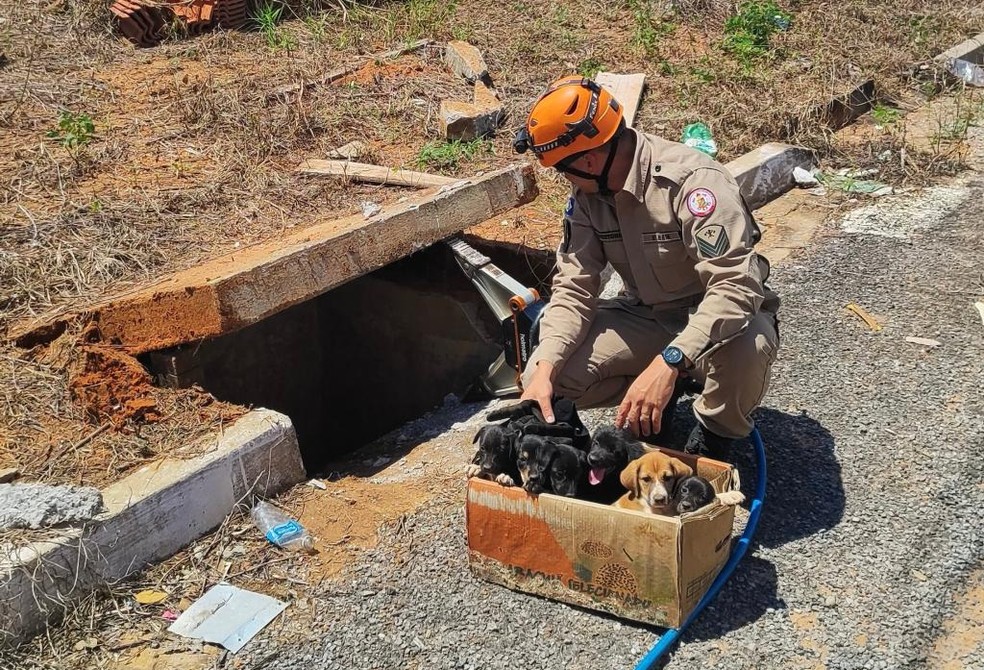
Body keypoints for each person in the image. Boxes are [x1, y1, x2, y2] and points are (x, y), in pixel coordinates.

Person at [512, 75, 780, 459]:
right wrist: (544, 370)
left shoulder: (692, 183)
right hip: (649, 316)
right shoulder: (588, 196)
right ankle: (633, 419)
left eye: (562, 168)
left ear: (588, 159)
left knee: (748, 349)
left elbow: (735, 288)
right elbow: (574, 289)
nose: (564, 179)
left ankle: (714, 439)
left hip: (715, 320)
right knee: (549, 373)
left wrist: (670, 361)